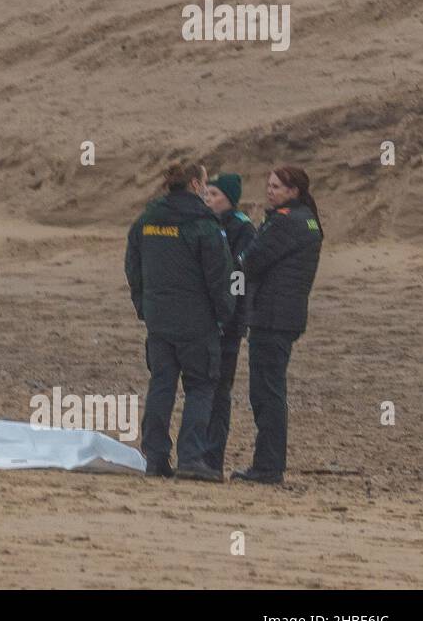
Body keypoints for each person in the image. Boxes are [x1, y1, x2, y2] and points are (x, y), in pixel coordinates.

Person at [124, 161, 234, 481]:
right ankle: (191, 457)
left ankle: (155, 457)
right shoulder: (204, 225)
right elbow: (219, 276)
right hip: (196, 322)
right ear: (196, 186)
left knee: (161, 385)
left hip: (159, 319)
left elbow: (133, 266)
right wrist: (224, 314)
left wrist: (143, 305)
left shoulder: (146, 221)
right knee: (200, 387)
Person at [233, 166, 323, 484]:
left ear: (294, 191)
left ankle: (268, 467)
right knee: (271, 390)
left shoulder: (285, 221)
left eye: (277, 186)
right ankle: (269, 464)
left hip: (272, 318)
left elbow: (251, 261)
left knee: (266, 393)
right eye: (268, 185)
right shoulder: (307, 219)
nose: (270, 191)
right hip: (285, 316)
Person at [201, 172, 256, 473]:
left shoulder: (242, 228)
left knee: (219, 390)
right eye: (207, 194)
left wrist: (229, 313)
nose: (209, 200)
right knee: (202, 387)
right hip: (205, 320)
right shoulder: (208, 225)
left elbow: (239, 275)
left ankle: (213, 458)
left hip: (229, 322)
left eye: (215, 195)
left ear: (230, 199)